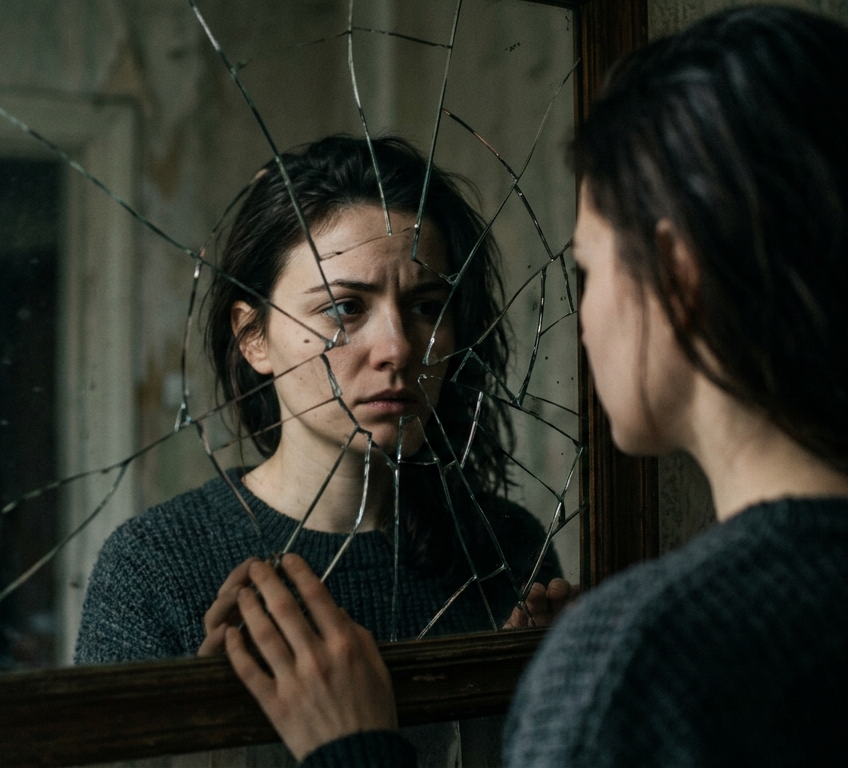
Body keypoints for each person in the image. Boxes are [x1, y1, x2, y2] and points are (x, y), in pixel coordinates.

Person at [213, 7, 848, 766]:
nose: (585, 320)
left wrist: (357, 751)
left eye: (590, 271)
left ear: (676, 275)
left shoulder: (643, 660)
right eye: (344, 308)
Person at [74, 136, 569, 664]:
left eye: (426, 307)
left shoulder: (507, 547)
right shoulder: (155, 567)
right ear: (253, 337)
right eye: (345, 308)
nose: (399, 349)